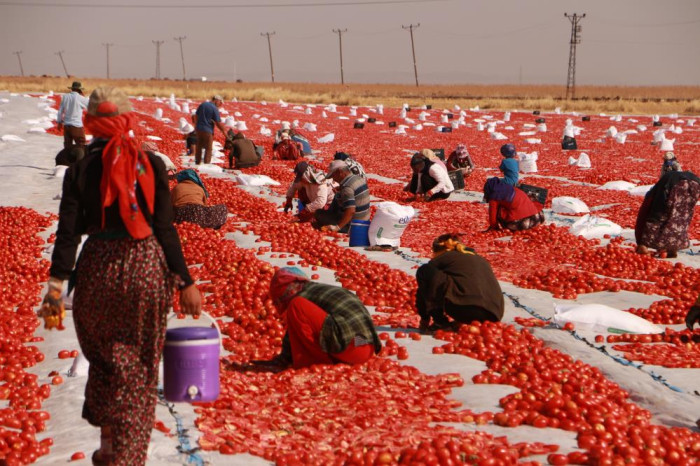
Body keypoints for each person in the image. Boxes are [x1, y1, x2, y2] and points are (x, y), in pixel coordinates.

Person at [39, 87, 201, 465]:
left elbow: (67, 234)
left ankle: (111, 449)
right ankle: (126, 458)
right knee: (138, 370)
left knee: (107, 363)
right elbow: (164, 229)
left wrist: (54, 288)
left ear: (91, 122)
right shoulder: (150, 163)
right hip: (145, 270)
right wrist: (187, 281)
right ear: (129, 119)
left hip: (96, 272)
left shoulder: (79, 168)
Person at [266, 267, 381, 369]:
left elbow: (295, 331)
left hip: (352, 348)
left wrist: (283, 360)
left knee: (296, 306)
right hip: (366, 346)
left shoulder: (302, 297)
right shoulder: (318, 290)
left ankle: (313, 364)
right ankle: (334, 360)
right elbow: (296, 331)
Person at [416, 234, 504, 332]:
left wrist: (424, 317)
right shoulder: (479, 258)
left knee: (425, 271)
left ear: (438, 251)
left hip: (464, 309)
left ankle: (440, 323)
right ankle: (468, 319)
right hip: (494, 315)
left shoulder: (442, 258)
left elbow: (424, 289)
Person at [635, 170, 700, 258]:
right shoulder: (660, 186)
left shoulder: (653, 194)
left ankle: (644, 246)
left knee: (658, 216)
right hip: (695, 184)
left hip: (674, 185)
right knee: (681, 217)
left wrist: (640, 241)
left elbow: (650, 214)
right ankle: (672, 248)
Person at [314, 160, 370, 233]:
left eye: (333, 176)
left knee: (319, 214)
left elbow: (351, 211)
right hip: (364, 222)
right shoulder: (358, 178)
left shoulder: (347, 186)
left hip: (352, 226)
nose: (333, 179)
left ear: (340, 172)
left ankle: (342, 227)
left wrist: (337, 227)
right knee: (337, 197)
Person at [56, 81, 89, 157]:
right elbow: (91, 107)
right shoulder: (81, 98)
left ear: (72, 89)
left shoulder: (65, 97)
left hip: (67, 126)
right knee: (81, 145)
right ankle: (79, 163)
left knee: (68, 146)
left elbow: (60, 110)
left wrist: (59, 122)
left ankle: (68, 163)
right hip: (77, 126)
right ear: (79, 90)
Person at [193, 95, 228, 165]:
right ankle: (207, 163)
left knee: (199, 146)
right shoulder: (214, 108)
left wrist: (196, 125)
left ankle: (197, 162)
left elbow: (195, 116)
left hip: (199, 129)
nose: (220, 104)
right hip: (207, 130)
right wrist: (225, 133)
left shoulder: (202, 105)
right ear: (216, 100)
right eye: (220, 102)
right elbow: (218, 123)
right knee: (208, 148)